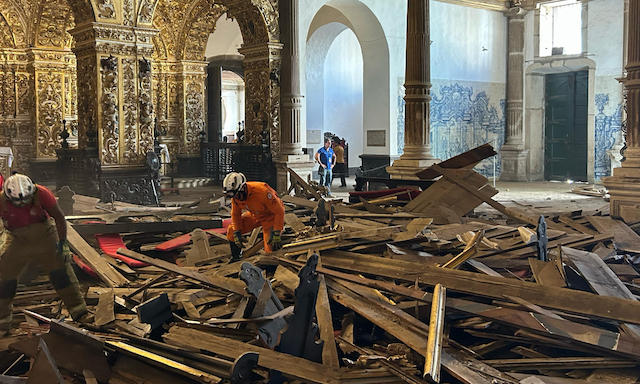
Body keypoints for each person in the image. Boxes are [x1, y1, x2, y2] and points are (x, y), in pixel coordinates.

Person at [0, 174, 92, 335]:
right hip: (18, 239)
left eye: (25, 201)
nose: (21, 205)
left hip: (45, 236)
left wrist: (63, 243)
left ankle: (80, 313)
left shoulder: (42, 193)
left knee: (60, 273)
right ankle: (2, 322)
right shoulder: (1, 200)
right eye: (17, 203)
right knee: (5, 279)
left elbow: (59, 217)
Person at [223, 172, 285, 262]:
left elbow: (279, 211)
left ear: (243, 188)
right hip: (254, 214)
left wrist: (276, 232)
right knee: (231, 230)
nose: (235, 198)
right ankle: (236, 257)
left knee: (270, 245)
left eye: (236, 195)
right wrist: (237, 232)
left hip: (270, 217)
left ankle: (272, 267)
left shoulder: (262, 192)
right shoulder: (236, 197)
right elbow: (236, 214)